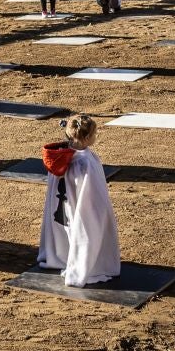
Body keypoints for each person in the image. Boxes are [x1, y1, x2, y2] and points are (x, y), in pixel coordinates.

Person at [37, 113, 121, 287]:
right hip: (78, 206)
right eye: (95, 134)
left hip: (64, 207)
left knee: (67, 229)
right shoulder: (85, 163)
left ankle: (63, 256)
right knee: (84, 229)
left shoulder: (61, 157)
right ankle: (86, 263)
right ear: (88, 137)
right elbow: (92, 196)